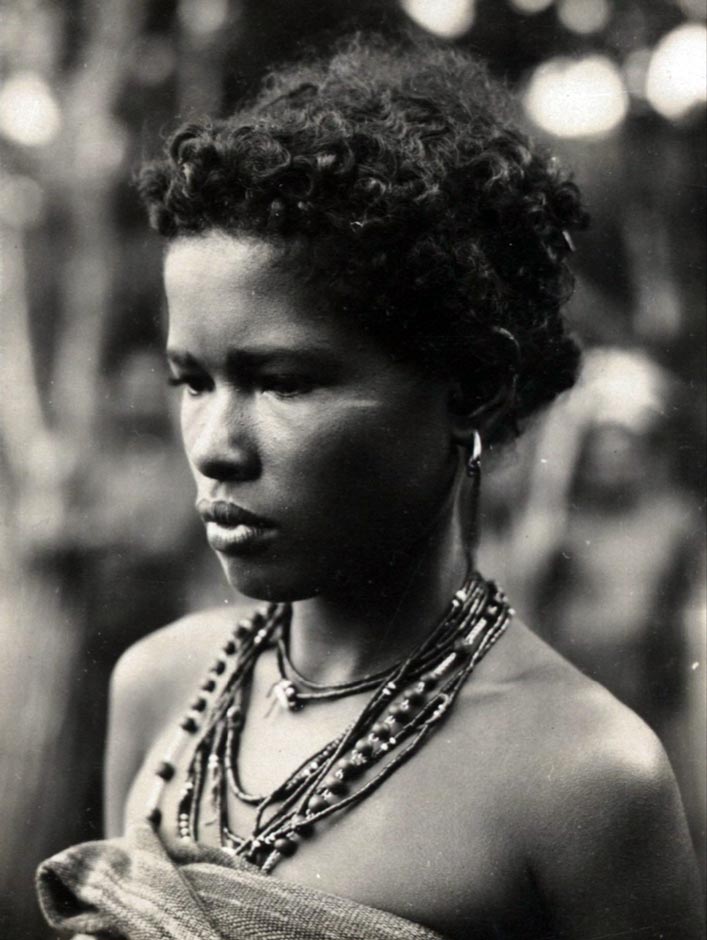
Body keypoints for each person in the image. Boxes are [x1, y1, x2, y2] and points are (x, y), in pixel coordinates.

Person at [36, 37, 703, 940]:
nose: (215, 447)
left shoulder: (583, 779)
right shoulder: (159, 685)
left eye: (284, 382)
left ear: (469, 388)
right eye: (192, 381)